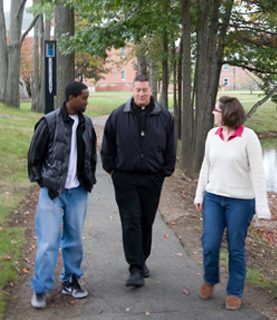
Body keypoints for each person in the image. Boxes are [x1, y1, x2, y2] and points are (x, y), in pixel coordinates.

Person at [194, 96, 271, 310]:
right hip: (213, 198)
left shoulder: (249, 138)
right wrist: (199, 194)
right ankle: (210, 279)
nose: (213, 113)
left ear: (227, 112)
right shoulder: (212, 135)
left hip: (241, 202)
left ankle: (234, 291)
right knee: (210, 244)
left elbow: (257, 173)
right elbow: (205, 166)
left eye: (216, 110)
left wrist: (262, 207)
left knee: (236, 247)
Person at [101, 74, 176, 287]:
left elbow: (171, 146)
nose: (141, 94)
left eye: (145, 90)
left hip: (153, 178)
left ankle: (142, 259)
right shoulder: (118, 116)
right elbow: (107, 146)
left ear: (151, 91)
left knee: (146, 221)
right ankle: (135, 268)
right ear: (132, 91)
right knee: (131, 221)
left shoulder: (164, 117)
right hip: (125, 178)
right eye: (138, 90)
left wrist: (165, 171)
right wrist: (112, 170)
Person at [28, 81, 97, 309]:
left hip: (78, 192)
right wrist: (44, 183)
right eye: (84, 98)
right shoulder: (49, 122)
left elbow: (91, 157)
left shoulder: (87, 124)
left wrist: (88, 181)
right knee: (48, 242)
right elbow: (34, 157)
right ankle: (40, 289)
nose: (87, 102)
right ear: (71, 98)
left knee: (74, 240)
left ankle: (70, 280)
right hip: (52, 192)